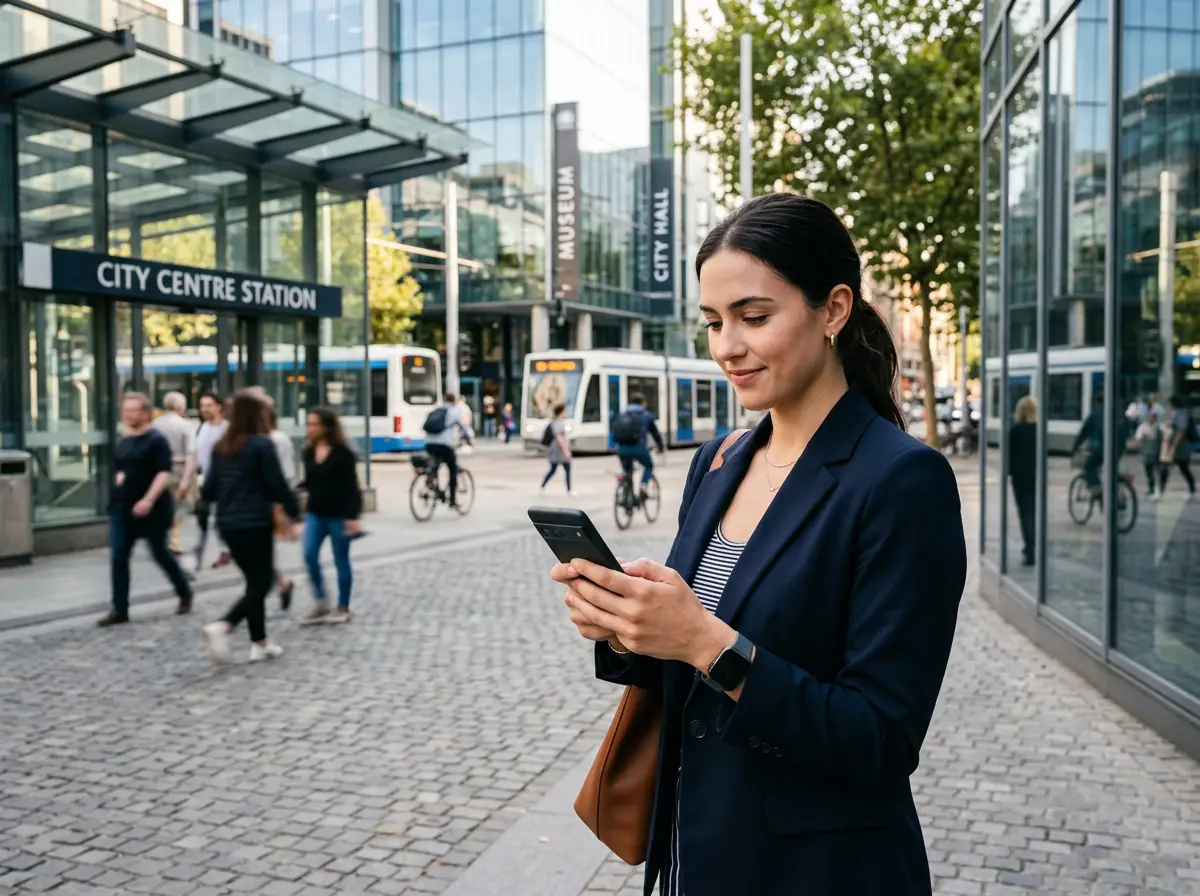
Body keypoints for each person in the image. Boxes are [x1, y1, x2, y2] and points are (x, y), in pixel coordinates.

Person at [550, 192, 966, 896]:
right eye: (713, 323)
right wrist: (628, 632)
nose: (727, 347)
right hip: (697, 850)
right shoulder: (721, 460)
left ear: (833, 309)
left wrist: (706, 642)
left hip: (817, 873)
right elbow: (685, 675)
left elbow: (881, 740)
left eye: (754, 316)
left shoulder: (901, 480)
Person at [201, 390, 301, 664]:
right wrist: (295, 514)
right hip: (255, 522)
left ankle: (260, 642)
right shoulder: (261, 445)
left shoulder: (221, 447)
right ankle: (224, 625)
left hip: (228, 524)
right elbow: (278, 486)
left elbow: (208, 491)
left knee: (253, 582)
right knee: (263, 582)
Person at [99, 393, 194, 626]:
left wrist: (148, 499)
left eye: (133, 410)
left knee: (160, 553)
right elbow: (121, 468)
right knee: (119, 556)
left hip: (153, 509)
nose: (128, 414)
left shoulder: (156, 440)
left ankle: (184, 591)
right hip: (123, 508)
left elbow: (163, 472)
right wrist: (119, 479)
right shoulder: (125, 440)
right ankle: (119, 608)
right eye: (126, 410)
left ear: (145, 413)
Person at [298, 408, 363, 625]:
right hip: (315, 513)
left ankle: (343, 606)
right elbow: (310, 481)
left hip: (339, 515)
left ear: (326, 427)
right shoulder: (308, 451)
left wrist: (352, 517)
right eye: (308, 424)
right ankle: (321, 601)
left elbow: (352, 487)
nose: (309, 428)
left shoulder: (343, 453)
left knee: (341, 560)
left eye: (313, 424)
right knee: (308, 554)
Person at [151, 391, 197, 556]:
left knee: (164, 504)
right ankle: (173, 539)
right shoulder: (186, 426)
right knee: (185, 504)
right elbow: (191, 453)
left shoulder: (155, 424)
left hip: (158, 470)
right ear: (181, 407)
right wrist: (188, 478)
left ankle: (169, 537)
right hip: (180, 468)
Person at [263, 401, 297, 611]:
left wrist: (284, 504)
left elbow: (286, 473)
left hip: (271, 501)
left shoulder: (276, 439)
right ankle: (281, 583)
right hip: (261, 501)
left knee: (261, 551)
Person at [193, 391, 228, 571]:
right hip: (208, 481)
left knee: (217, 519)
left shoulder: (227, 428)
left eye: (208, 405)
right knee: (210, 519)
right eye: (202, 406)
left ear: (218, 407)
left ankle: (225, 551)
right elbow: (197, 455)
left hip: (226, 481)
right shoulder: (202, 428)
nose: (204, 409)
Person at [612, 392, 666, 498]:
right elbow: (655, 435)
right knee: (649, 466)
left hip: (621, 448)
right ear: (643, 403)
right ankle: (643, 486)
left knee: (628, 471)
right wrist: (660, 447)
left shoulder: (622, 414)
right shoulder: (647, 415)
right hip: (638, 447)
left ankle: (626, 495)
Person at [424, 392, 472, 509]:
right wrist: (468, 438)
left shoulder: (436, 410)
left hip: (429, 444)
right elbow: (463, 427)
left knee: (435, 465)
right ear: (454, 401)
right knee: (453, 469)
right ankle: (452, 500)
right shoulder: (453, 411)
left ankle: (432, 482)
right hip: (444, 445)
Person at [1008, 396, 1038, 566]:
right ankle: (1032, 546)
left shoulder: (1016, 430)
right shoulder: (1039, 430)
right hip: (1036, 476)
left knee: (1025, 512)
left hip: (1020, 478)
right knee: (1034, 512)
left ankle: (1030, 547)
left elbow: (1010, 456)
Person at [1159, 394, 1196, 497]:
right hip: (1174, 445)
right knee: (1167, 468)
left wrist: (1173, 448)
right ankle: (1162, 489)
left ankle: (1192, 489)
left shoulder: (1180, 413)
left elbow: (1181, 431)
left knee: (1181, 467)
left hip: (1179, 446)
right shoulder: (1177, 413)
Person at [1071, 394, 1104, 496]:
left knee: (1089, 465)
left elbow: (1083, 433)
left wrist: (1074, 448)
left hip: (1103, 448)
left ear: (1096, 402)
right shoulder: (1115, 410)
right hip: (1119, 448)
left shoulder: (1095, 414)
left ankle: (1097, 491)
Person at [540, 403, 574, 496]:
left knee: (553, 470)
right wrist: (566, 452)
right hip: (558, 451)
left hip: (555, 450)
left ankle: (542, 487)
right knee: (566, 469)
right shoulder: (559, 423)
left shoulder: (554, 421)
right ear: (561, 412)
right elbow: (559, 438)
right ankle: (569, 490)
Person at [1134, 409, 1163, 499]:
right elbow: (1138, 439)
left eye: (1152, 418)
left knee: (1159, 471)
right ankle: (1151, 489)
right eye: (1148, 418)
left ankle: (1160, 489)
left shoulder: (1159, 427)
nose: (1150, 419)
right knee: (1149, 471)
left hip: (1158, 452)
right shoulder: (1143, 427)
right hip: (1147, 452)